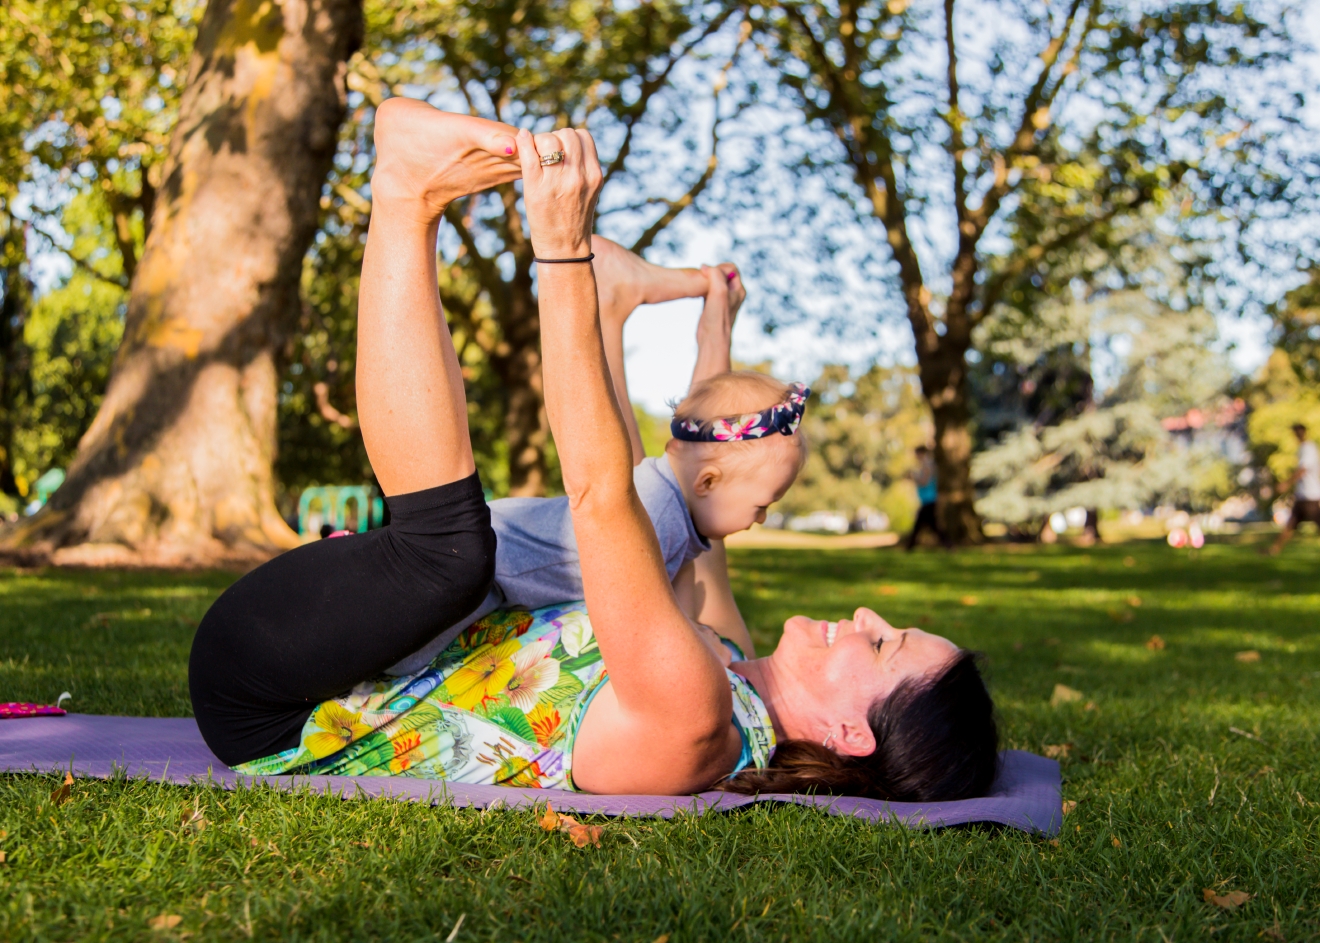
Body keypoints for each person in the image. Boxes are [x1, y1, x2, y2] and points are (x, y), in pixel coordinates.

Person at [188, 101, 997, 800]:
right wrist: (712, 325)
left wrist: (563, 250)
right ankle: (413, 191)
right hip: (335, 636)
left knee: (451, 555)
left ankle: (404, 193)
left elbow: (603, 495)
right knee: (463, 556)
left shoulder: (696, 720)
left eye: (883, 643)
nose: (865, 617)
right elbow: (687, 503)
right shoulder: (731, 663)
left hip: (276, 698)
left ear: (853, 733)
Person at [385, 235, 801, 674]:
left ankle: (614, 300)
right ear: (708, 481)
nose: (762, 519)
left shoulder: (668, 498)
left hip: (491, 557)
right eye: (763, 504)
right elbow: (641, 623)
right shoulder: (658, 520)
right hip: (486, 567)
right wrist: (698, 640)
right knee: (406, 654)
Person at [1269, 422, 1320, 555]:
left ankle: (1275, 549)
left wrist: (1287, 483)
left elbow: (1303, 469)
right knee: (1291, 523)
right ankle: (1274, 549)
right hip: (1303, 495)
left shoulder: (1308, 448)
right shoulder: (1303, 448)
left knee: (1293, 523)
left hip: (1310, 495)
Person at [905, 445, 951, 551]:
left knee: (920, 525)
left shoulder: (927, 465)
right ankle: (948, 545)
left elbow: (924, 481)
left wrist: (913, 477)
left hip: (929, 499)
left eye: (917, 454)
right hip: (927, 500)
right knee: (933, 526)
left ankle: (910, 546)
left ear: (921, 453)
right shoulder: (926, 465)